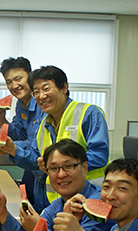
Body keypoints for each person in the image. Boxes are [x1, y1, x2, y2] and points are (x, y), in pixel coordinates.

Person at [0, 139, 113, 231]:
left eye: (68, 166)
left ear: (85, 167)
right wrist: (3, 215)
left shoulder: (99, 204)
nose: (61, 174)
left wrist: (39, 228)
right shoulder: (57, 205)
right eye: (53, 169)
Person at [28, 65, 110, 206]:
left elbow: (99, 155)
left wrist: (62, 165)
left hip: (90, 199)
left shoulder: (88, 114)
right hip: (57, 202)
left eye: (46, 89)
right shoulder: (43, 125)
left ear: (64, 88)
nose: (41, 96)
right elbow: (36, 157)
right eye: (36, 92)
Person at [0, 57, 48, 213]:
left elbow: (34, 146)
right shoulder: (22, 105)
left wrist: (11, 148)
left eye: (18, 79)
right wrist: (1, 119)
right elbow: (19, 135)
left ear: (30, 76)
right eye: (9, 82)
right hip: (32, 170)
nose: (14, 86)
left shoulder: (44, 105)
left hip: (45, 170)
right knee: (29, 211)